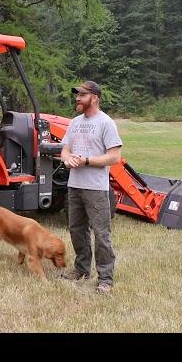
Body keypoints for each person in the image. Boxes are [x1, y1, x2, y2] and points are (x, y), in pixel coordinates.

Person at [59, 80, 122, 294]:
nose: (77, 98)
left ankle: (105, 279)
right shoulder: (75, 122)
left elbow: (114, 157)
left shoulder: (106, 123)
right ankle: (81, 269)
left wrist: (86, 160)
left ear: (94, 97)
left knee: (101, 233)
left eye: (82, 95)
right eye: (77, 95)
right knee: (77, 230)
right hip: (74, 185)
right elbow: (65, 149)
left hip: (95, 188)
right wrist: (67, 159)